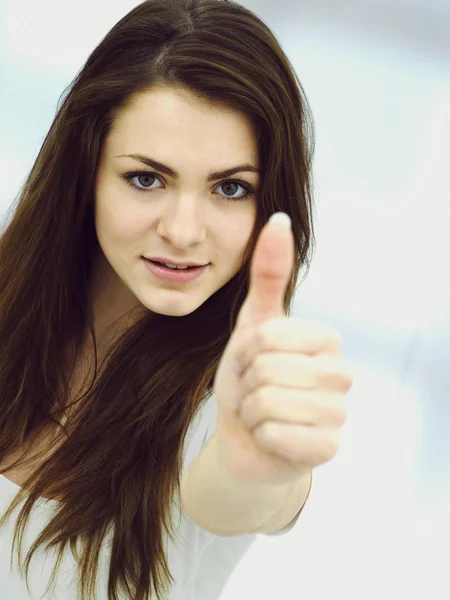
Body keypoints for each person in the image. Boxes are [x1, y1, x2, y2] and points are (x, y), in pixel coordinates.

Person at [0, 1, 352, 599]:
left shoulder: (236, 396)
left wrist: (254, 468)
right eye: (146, 178)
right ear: (85, 172)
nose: (184, 231)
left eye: (231, 188)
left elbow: (237, 493)